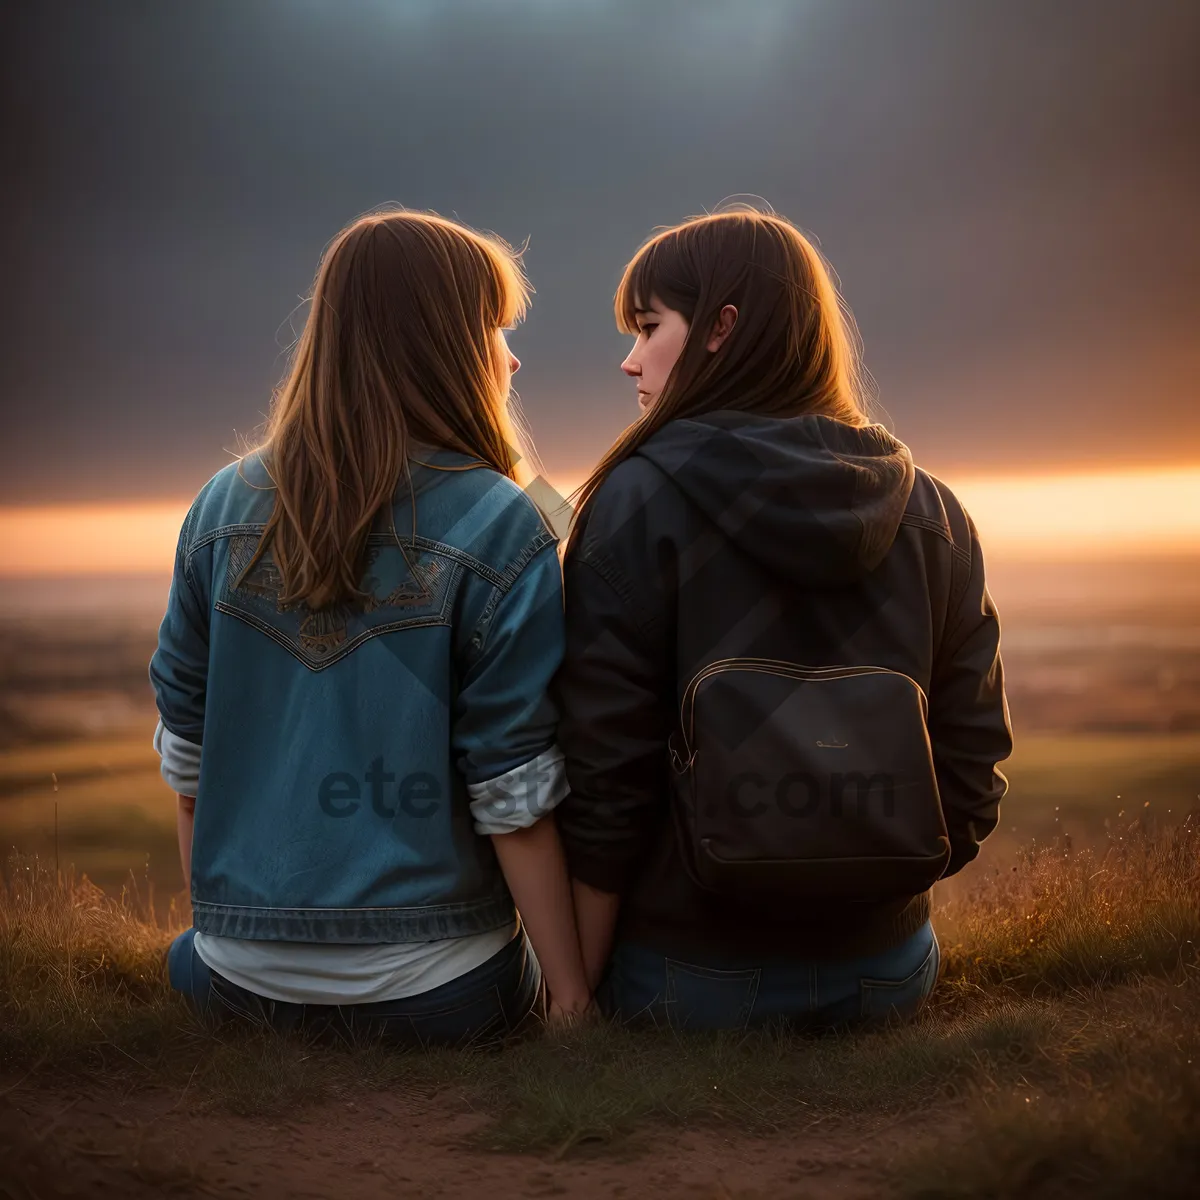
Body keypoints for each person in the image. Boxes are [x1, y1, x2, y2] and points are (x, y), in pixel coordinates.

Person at [554, 207, 1013, 1031]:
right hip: (887, 972)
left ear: (721, 328)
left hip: (687, 976)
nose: (630, 361)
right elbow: (973, 761)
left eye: (650, 326)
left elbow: (604, 773)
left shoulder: (637, 502)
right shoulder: (934, 512)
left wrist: (574, 996)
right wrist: (870, 892)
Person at [150, 209, 591, 1044]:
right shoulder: (505, 523)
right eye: (495, 329)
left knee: (185, 957)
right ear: (447, 345)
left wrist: (227, 936)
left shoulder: (217, 505)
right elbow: (515, 795)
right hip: (443, 992)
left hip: (235, 981)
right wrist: (568, 997)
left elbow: (188, 759)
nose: (513, 355)